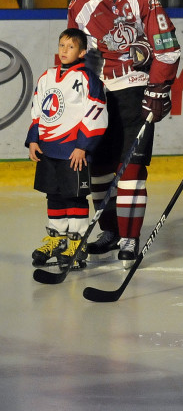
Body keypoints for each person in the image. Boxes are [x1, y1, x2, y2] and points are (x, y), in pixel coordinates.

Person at [67, 0, 181, 269]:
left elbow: (167, 49)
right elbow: (70, 50)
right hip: (95, 94)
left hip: (133, 89)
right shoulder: (82, 3)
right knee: (99, 170)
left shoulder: (145, 0)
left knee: (131, 169)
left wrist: (158, 88)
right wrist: (71, 88)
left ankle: (130, 238)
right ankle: (111, 231)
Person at [26, 28, 108, 271]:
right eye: (62, 45)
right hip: (48, 150)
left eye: (70, 47)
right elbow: (37, 111)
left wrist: (83, 146)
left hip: (74, 151)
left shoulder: (87, 78)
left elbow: (96, 113)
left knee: (74, 196)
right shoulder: (47, 76)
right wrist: (33, 140)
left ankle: (77, 242)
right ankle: (57, 239)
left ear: (82, 52)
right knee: (54, 194)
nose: (64, 50)